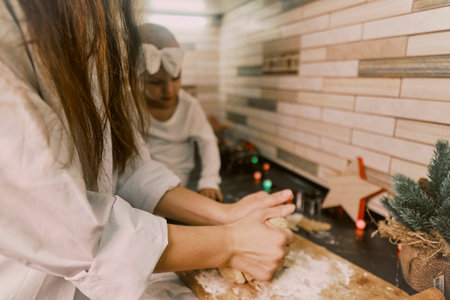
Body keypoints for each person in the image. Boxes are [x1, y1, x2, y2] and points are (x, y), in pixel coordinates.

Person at [0, 1, 295, 300]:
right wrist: (230, 243)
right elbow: (64, 230)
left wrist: (223, 214)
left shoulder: (98, 20)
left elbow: (125, 168)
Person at [138, 23, 223, 202]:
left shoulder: (189, 106)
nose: (168, 89)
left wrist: (209, 180)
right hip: (144, 183)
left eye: (175, 78)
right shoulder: (132, 105)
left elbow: (207, 142)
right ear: (137, 79)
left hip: (181, 184)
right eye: (155, 82)